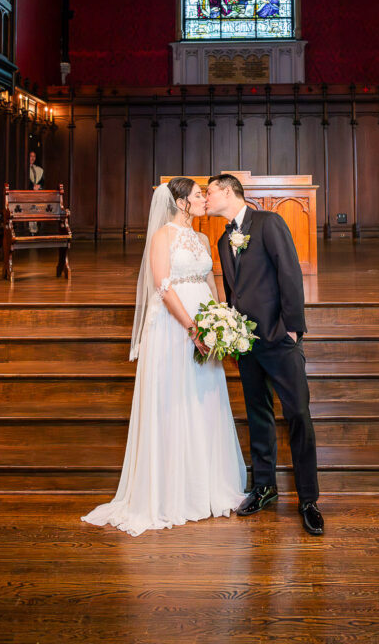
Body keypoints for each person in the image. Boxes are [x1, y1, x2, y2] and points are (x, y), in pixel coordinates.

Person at [81, 178, 246, 536]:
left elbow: (212, 280)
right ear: (182, 202)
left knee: (204, 399)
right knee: (175, 400)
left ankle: (206, 486)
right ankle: (171, 492)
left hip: (205, 324)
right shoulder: (162, 237)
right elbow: (163, 285)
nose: (205, 199)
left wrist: (221, 321)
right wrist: (192, 328)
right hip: (174, 330)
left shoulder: (203, 239)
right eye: (199, 195)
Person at [205, 174, 323, 536]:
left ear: (227, 191)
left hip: (279, 337)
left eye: (209, 193)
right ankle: (265, 486)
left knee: (298, 414)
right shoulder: (225, 238)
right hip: (246, 343)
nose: (205, 199)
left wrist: (293, 329)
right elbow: (232, 289)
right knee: (258, 415)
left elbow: (289, 272)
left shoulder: (269, 222)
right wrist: (231, 328)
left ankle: (308, 499)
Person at [28, 150, 43, 235]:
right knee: (30, 210)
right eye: (31, 156)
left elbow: (42, 181)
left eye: (34, 156)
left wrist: (39, 186)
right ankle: (31, 230)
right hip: (27, 193)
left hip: (36, 194)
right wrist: (32, 187)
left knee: (35, 209)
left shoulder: (38, 169)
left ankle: (34, 230)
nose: (32, 158)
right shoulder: (24, 168)